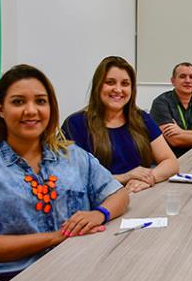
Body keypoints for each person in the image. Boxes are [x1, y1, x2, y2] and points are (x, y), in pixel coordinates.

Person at [0, 65, 130, 281]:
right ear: (1, 109)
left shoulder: (72, 155)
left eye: (40, 101)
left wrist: (99, 213)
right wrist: (55, 238)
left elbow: (119, 194)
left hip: (77, 271)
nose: (31, 111)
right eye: (18, 102)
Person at [62, 56, 178, 193]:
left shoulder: (143, 119)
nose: (118, 89)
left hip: (141, 198)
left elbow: (171, 162)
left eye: (125, 84)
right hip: (99, 206)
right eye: (110, 82)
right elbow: (71, 178)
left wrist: (147, 178)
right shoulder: (75, 124)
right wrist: (125, 177)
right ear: (98, 86)